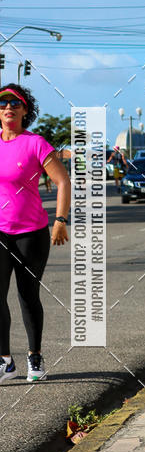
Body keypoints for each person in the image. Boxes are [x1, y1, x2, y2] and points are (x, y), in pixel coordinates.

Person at [0, 84, 70, 382]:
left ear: (25, 109)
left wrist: (60, 220)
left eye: (15, 103)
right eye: (3, 103)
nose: (8, 108)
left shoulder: (36, 143)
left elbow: (63, 182)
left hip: (32, 233)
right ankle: (5, 362)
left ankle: (34, 358)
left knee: (28, 296)